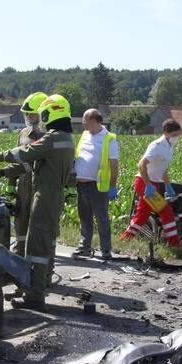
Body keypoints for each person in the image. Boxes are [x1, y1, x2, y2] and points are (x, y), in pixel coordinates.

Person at [0, 94, 75, 310]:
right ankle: (38, 286)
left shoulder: (51, 138)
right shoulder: (66, 138)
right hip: (54, 195)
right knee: (45, 242)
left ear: (50, 114)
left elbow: (25, 153)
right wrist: (4, 173)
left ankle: (35, 297)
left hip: (43, 196)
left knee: (36, 247)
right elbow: (33, 164)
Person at [121, 119, 182, 246]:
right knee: (166, 211)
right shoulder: (157, 145)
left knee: (143, 214)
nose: (176, 137)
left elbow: (163, 168)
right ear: (165, 132)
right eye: (174, 135)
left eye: (177, 135)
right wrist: (148, 185)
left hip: (154, 183)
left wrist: (167, 184)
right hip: (144, 182)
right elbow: (141, 164)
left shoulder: (170, 147)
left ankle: (126, 239)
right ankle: (174, 243)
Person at [1, 92, 47, 257]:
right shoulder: (23, 133)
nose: (28, 116)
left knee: (38, 220)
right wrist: (10, 184)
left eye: (32, 113)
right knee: (20, 218)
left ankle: (36, 253)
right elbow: (17, 159)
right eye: (27, 113)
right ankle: (19, 251)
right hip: (24, 183)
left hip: (42, 184)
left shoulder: (48, 135)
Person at [73, 108, 120, 260]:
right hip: (81, 184)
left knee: (101, 218)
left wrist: (113, 186)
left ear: (94, 121)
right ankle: (85, 247)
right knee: (84, 217)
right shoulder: (85, 135)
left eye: (85, 122)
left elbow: (114, 165)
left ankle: (106, 250)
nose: (84, 125)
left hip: (97, 185)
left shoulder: (109, 139)